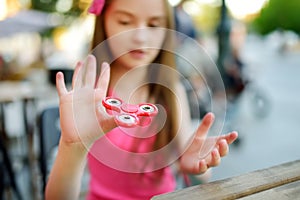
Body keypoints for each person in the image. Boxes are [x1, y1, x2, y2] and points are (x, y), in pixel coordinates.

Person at [45, 0, 238, 199]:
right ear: (103, 23)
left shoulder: (172, 92)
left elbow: (199, 173)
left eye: (154, 25)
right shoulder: (88, 96)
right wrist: (72, 146)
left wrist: (196, 167)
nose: (140, 37)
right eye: (125, 21)